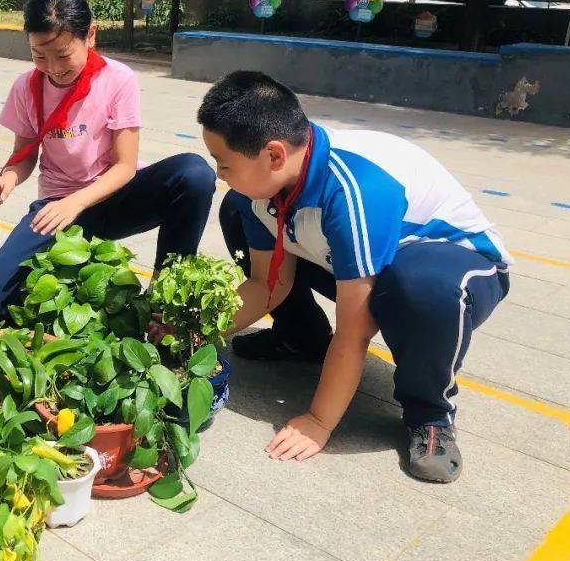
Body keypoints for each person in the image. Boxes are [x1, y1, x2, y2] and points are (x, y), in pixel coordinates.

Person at [198, 71, 510, 483]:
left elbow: (354, 330)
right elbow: (266, 284)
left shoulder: (353, 189)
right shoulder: (266, 186)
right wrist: (197, 332)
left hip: (450, 263)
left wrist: (318, 420)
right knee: (236, 210)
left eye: (224, 164)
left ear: (274, 155)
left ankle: (430, 413)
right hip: (361, 256)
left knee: (421, 288)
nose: (219, 174)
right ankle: (302, 339)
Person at [0, 0, 216, 324]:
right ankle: (71, 279)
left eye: (63, 55)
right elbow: (24, 155)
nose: (53, 68)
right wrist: (6, 179)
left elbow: (126, 167)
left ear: (90, 35)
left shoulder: (118, 80)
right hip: (57, 208)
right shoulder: (26, 87)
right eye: (39, 56)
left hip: (114, 197)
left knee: (194, 174)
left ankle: (164, 297)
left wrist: (77, 201)